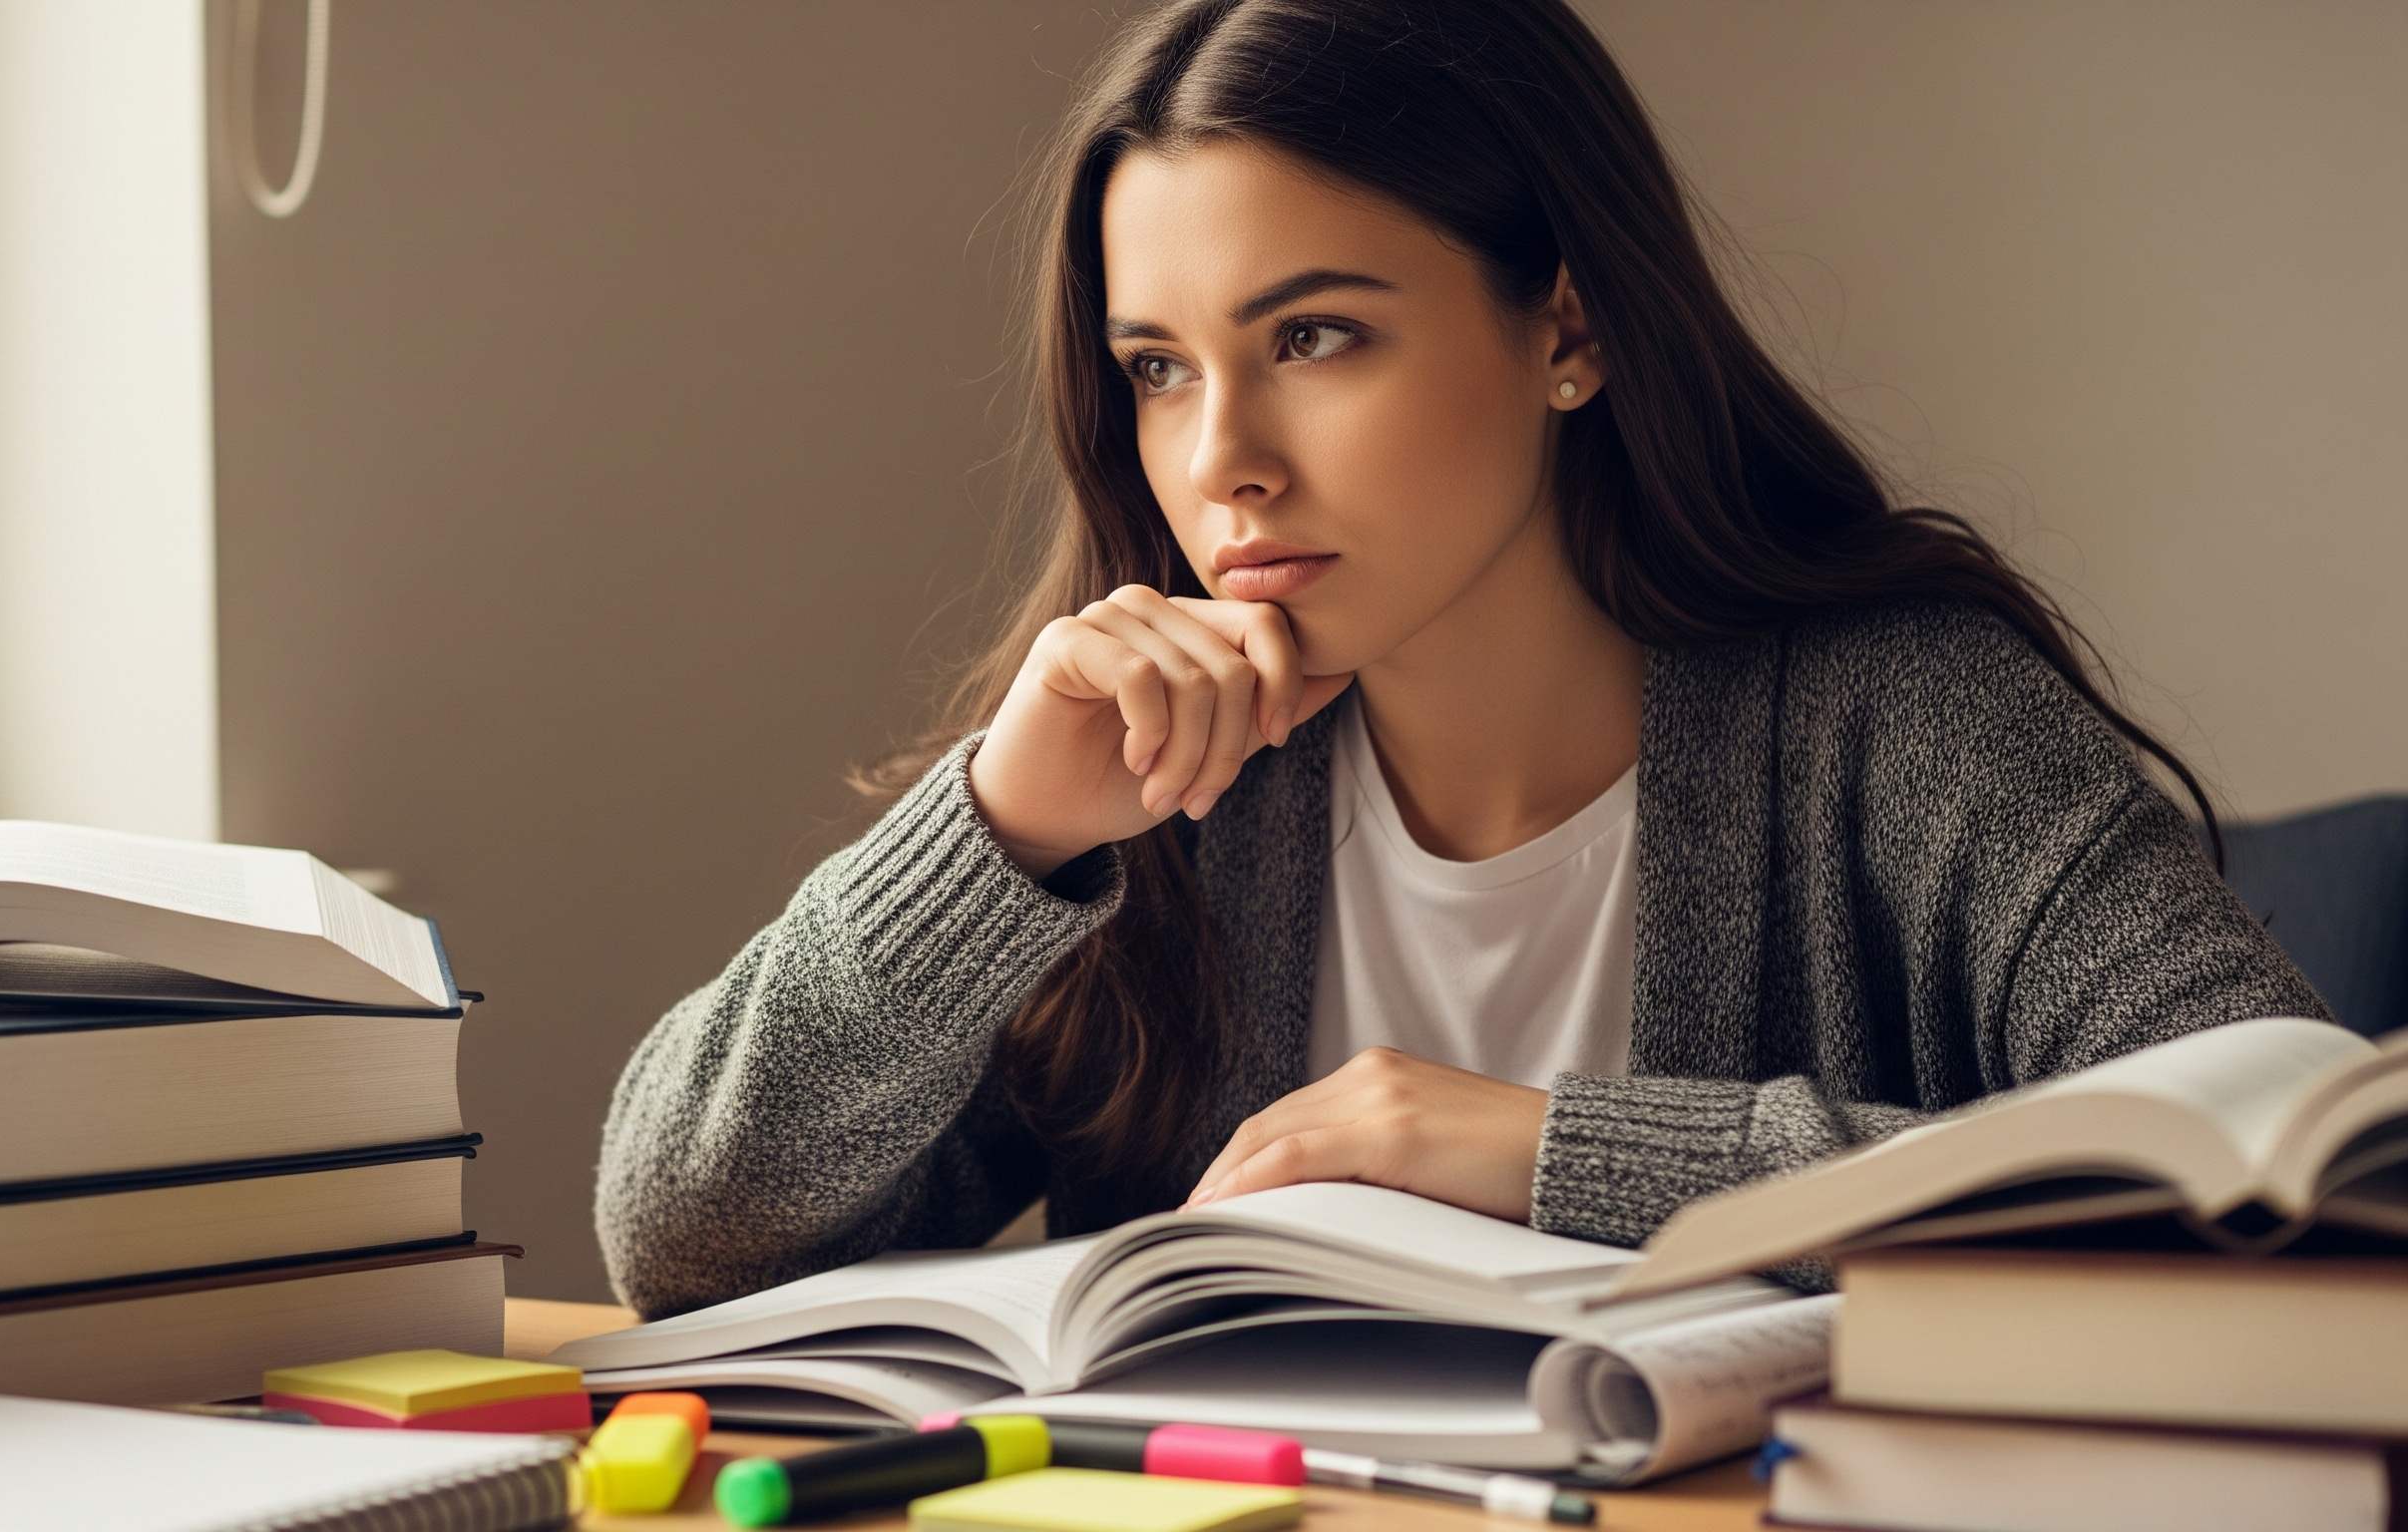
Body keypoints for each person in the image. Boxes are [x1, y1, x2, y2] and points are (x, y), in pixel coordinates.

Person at [592, 0, 2330, 1320]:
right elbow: (680, 1234)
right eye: (1160, 368)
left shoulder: (1898, 718)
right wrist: (994, 839)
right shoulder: (1141, 779)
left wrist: (1553, 1151)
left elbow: (2299, 1174)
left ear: (1564, 328)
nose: (1222, 463)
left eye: (1315, 335)